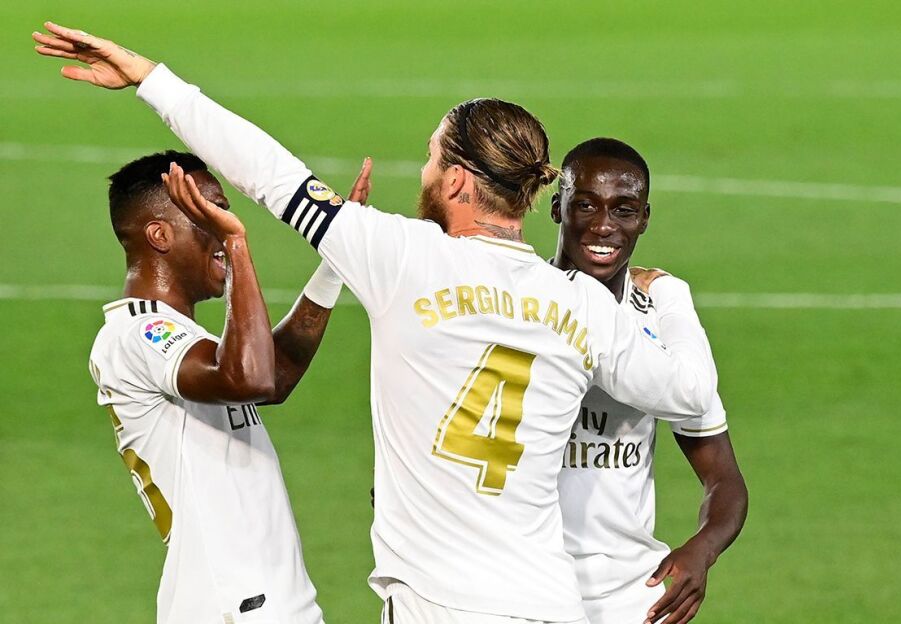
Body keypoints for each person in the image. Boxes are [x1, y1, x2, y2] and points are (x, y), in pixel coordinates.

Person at [36, 22, 719, 624]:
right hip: (549, 602)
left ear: (456, 181)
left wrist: (152, 79)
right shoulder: (581, 304)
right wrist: (671, 299)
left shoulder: (400, 255)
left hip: (439, 604)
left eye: (430, 158)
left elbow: (266, 172)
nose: (422, 172)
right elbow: (690, 394)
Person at [84, 149, 369, 623]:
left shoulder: (181, 339)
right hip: (236, 606)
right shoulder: (137, 334)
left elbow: (273, 375)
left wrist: (335, 261)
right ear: (159, 235)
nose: (223, 223)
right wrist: (235, 244)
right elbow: (248, 377)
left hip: (264, 602)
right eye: (208, 213)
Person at [551, 138, 748, 624]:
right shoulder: (519, 306)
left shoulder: (658, 319)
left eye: (623, 210)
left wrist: (702, 548)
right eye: (585, 205)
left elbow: (723, 478)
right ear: (557, 209)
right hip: (529, 587)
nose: (604, 226)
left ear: (644, 218)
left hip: (630, 597)